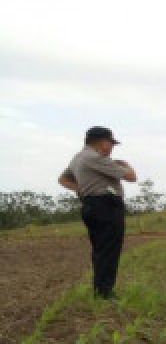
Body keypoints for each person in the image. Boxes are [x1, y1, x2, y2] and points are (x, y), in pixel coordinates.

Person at [57, 126, 138, 299]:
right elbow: (131, 177)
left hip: (91, 205)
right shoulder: (95, 158)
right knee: (110, 249)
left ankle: (101, 289)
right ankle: (105, 292)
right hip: (106, 206)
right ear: (102, 142)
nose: (112, 148)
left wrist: (81, 190)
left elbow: (63, 179)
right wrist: (126, 165)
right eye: (111, 143)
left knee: (101, 249)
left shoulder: (78, 158)